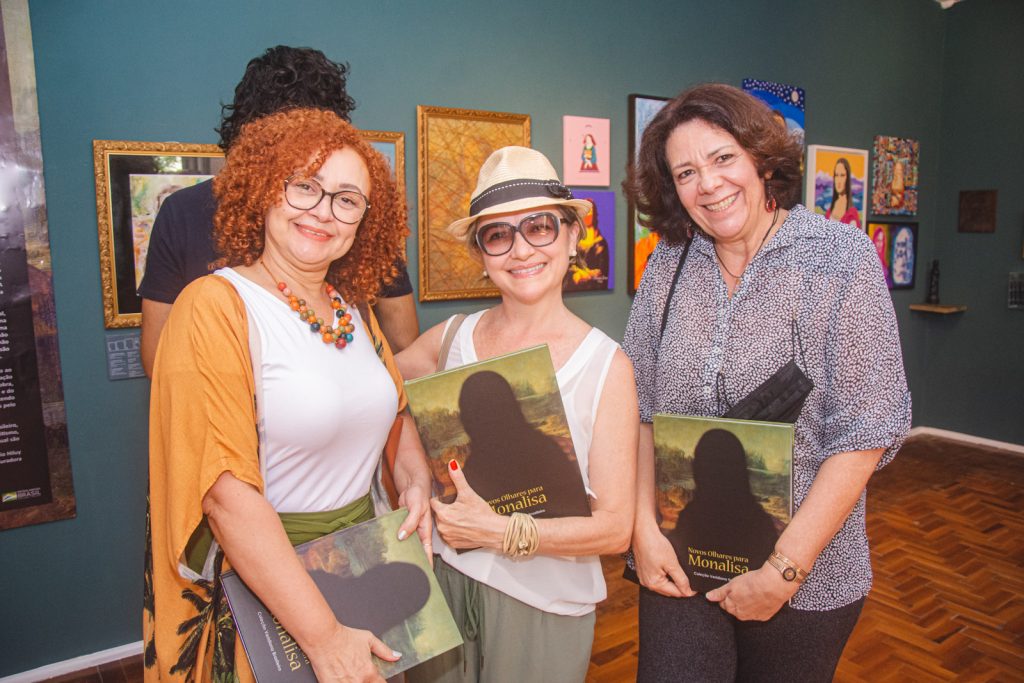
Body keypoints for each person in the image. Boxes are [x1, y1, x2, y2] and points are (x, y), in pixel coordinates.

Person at [623, 83, 911, 682]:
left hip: (806, 577)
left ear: (760, 158)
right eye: (686, 172)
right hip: (683, 561)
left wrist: (784, 570)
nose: (708, 183)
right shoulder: (667, 263)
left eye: (723, 158)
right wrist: (643, 532)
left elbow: (865, 432)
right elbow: (642, 410)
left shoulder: (839, 259)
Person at [144, 108, 432, 683]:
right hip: (266, 587)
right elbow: (224, 494)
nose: (323, 211)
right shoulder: (214, 306)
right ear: (265, 191)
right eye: (305, 187)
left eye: (347, 199)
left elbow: (394, 411)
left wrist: (417, 480)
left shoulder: (355, 311)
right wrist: (323, 638)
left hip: (361, 567)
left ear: (364, 221)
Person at [399, 146, 638, 683]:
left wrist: (501, 532)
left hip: (541, 605)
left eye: (540, 227)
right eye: (498, 235)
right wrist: (413, 475)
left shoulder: (606, 366)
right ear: (481, 253)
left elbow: (616, 530)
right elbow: (383, 397)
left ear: (574, 236)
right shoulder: (450, 339)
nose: (521, 250)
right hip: (445, 581)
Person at [138, 45, 419, 377]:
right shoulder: (185, 217)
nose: (320, 212)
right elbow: (160, 358)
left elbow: (403, 344)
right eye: (302, 185)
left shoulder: (355, 219)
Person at [825, 157, 860, 227]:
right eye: (836, 175)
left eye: (842, 175)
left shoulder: (852, 213)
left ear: (847, 178)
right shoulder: (829, 212)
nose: (839, 180)